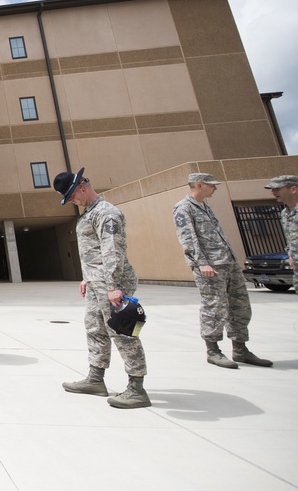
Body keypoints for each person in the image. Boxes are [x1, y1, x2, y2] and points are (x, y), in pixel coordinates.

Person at [53, 168, 150, 409]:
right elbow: (92, 251)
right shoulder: (89, 214)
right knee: (95, 328)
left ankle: (137, 388)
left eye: (73, 196)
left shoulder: (107, 214)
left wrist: (113, 287)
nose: (72, 202)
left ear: (83, 187)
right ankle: (96, 379)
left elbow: (111, 251)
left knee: (122, 332)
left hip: (111, 283)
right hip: (97, 283)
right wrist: (87, 277)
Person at [173, 173, 272, 368]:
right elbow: (188, 238)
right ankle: (213, 350)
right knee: (214, 307)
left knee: (240, 305)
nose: (215, 188)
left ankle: (240, 349)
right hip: (211, 266)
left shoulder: (205, 207)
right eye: (212, 185)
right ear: (199, 185)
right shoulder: (183, 208)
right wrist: (202, 263)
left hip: (228, 262)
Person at [266, 174, 298, 294]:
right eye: (272, 189)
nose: (273, 192)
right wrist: (291, 254)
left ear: (293, 189)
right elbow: (290, 237)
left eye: (277, 189)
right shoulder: (285, 213)